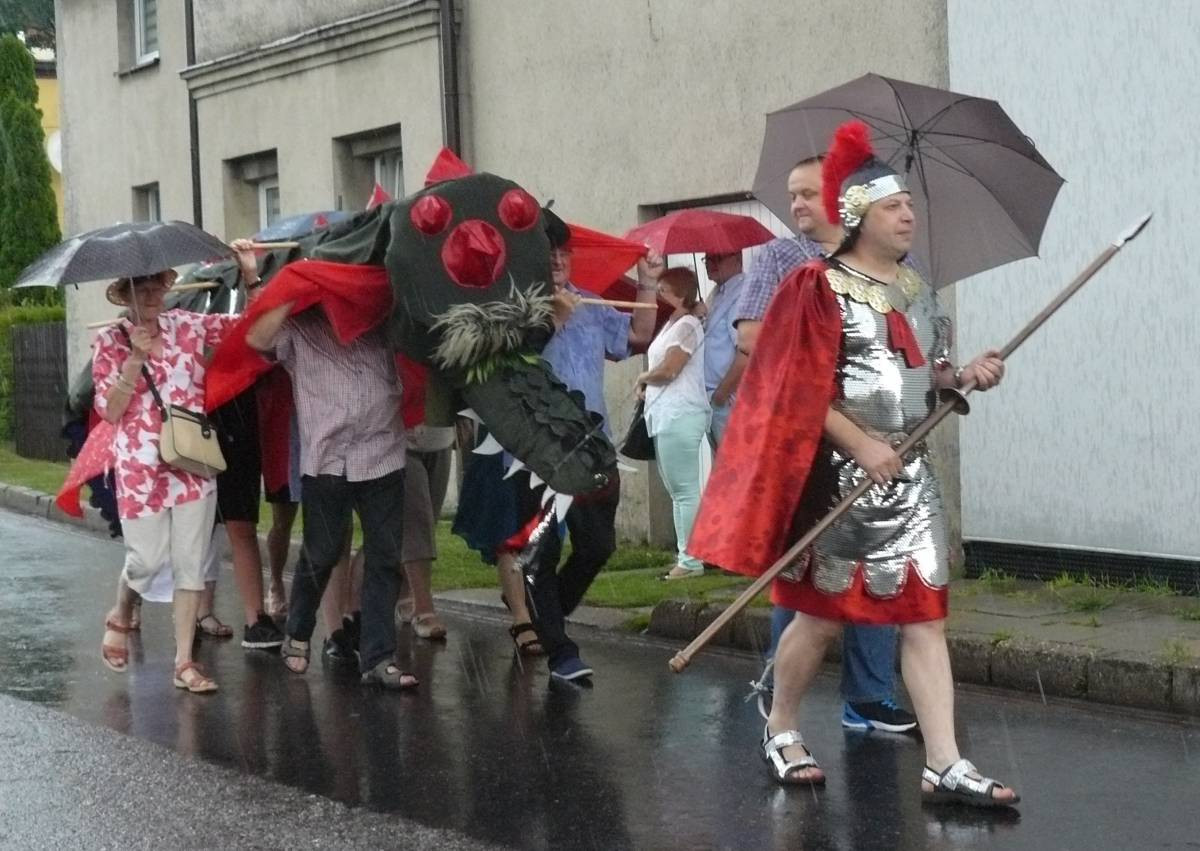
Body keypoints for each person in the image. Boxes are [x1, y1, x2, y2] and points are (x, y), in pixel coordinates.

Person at [690, 121, 1017, 807]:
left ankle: (944, 762)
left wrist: (966, 377)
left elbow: (930, 377)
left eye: (909, 205)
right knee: (821, 617)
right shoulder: (818, 286)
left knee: (923, 619)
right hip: (841, 482)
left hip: (911, 480)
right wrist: (859, 443)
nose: (908, 215)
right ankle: (781, 726)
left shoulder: (919, 289)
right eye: (894, 206)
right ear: (859, 214)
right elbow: (791, 387)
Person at [735, 155, 916, 734]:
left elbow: (911, 343)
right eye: (793, 195)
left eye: (808, 193)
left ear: (844, 198)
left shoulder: (891, 265)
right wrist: (827, 350)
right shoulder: (781, 258)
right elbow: (751, 337)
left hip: (881, 439)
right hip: (807, 444)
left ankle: (869, 697)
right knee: (805, 573)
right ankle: (777, 691)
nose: (796, 205)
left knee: (878, 564)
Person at [95, 239, 260, 694]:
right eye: (141, 288)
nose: (152, 294)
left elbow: (249, 328)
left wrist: (250, 275)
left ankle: (184, 661)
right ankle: (121, 610)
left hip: (191, 458)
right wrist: (134, 360)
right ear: (124, 295)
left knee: (191, 564)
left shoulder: (187, 325)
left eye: (158, 285)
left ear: (168, 286)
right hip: (140, 468)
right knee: (146, 562)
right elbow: (110, 411)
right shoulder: (110, 341)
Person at [246, 291, 414, 690]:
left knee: (385, 557)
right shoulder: (299, 327)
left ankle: (379, 658)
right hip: (327, 460)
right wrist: (294, 291)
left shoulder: (382, 317)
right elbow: (256, 339)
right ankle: (298, 631)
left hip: (383, 453)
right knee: (321, 552)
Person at [525, 212, 659, 681]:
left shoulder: (591, 302)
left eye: (564, 253)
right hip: (535, 451)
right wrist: (552, 319)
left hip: (591, 448)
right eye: (549, 254)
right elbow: (510, 362)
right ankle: (561, 651)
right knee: (541, 552)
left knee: (598, 547)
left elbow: (638, 336)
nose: (558, 261)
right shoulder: (515, 307)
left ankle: (548, 616)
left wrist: (648, 283)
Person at [635, 267, 709, 580]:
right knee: (677, 491)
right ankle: (685, 555)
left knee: (685, 490)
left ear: (679, 295)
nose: (658, 296)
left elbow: (670, 369)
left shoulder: (687, 326)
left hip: (681, 412)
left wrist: (643, 377)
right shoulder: (673, 324)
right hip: (665, 413)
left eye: (663, 290)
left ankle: (691, 560)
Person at [700, 251, 746, 447]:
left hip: (729, 399)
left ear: (738, 258)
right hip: (713, 398)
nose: (711, 264)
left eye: (718, 258)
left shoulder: (742, 294)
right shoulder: (717, 294)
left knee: (735, 462)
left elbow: (746, 352)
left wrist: (721, 395)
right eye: (708, 259)